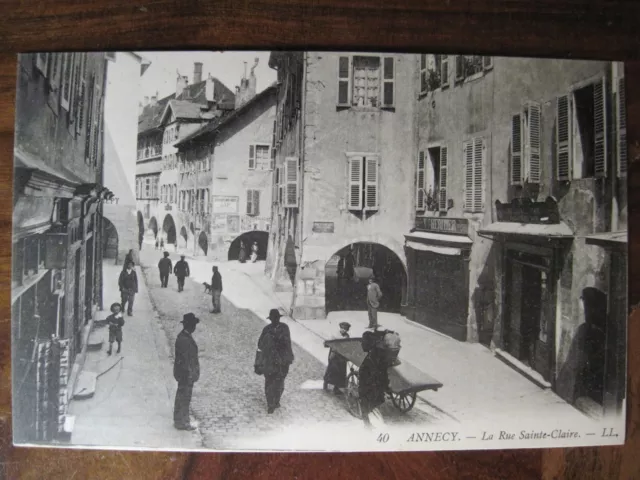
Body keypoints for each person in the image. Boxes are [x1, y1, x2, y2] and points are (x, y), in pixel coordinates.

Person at [256, 309, 294, 414]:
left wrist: (288, 358)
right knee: (269, 382)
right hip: (269, 361)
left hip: (283, 361)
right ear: (271, 319)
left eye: (276, 318)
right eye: (273, 319)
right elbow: (260, 344)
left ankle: (276, 400)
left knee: (280, 383)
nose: (275, 320)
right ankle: (270, 404)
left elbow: (287, 343)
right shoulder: (267, 329)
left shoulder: (284, 328)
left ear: (279, 318)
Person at [173, 313, 200, 431]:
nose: (195, 327)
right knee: (184, 398)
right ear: (190, 326)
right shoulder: (184, 339)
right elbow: (185, 360)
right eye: (194, 325)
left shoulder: (184, 336)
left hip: (184, 373)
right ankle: (183, 422)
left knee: (181, 396)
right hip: (185, 374)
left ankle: (179, 420)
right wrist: (190, 374)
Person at [358, 331, 389, 428]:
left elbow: (370, 377)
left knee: (371, 421)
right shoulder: (376, 355)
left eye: (363, 342)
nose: (362, 344)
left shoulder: (371, 358)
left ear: (368, 343)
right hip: (375, 394)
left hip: (370, 396)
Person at [323, 322, 351, 394]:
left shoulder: (347, 337)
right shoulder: (335, 335)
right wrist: (327, 343)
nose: (343, 330)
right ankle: (325, 384)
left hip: (342, 357)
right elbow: (328, 343)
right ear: (340, 328)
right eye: (342, 328)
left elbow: (348, 346)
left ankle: (336, 388)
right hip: (334, 355)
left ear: (347, 330)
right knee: (331, 370)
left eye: (345, 329)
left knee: (341, 372)